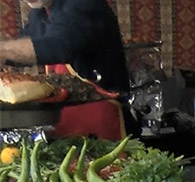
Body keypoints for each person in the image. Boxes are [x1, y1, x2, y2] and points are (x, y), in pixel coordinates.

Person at [0, 0, 133, 139]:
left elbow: (59, 46)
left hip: (101, 119)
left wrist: (3, 51)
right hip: (64, 121)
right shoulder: (40, 12)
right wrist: (5, 57)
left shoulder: (84, 4)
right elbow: (25, 46)